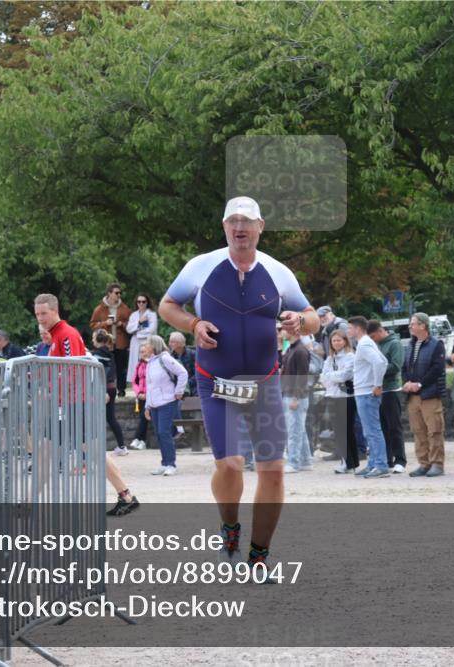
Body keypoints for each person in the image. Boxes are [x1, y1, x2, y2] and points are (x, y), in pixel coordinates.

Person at [158, 195, 318, 572]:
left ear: (260, 227)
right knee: (230, 465)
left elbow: (312, 317)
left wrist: (300, 321)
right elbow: (168, 305)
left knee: (273, 469)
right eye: (233, 221)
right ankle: (229, 527)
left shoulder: (278, 272)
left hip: (264, 382)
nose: (240, 227)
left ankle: (259, 554)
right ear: (224, 227)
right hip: (216, 382)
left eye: (247, 220)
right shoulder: (201, 266)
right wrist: (193, 324)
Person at [34, 293, 140, 517]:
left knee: (90, 451)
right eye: (37, 314)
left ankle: (126, 495)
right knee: (49, 450)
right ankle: (30, 501)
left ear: (55, 310)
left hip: (74, 403)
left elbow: (74, 369)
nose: (40, 318)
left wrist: (55, 392)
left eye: (44, 313)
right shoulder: (57, 336)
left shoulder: (65, 334)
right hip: (69, 402)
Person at [402, 313, 447, 478]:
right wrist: (407, 382)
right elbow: (405, 367)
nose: (410, 327)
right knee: (418, 430)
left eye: (413, 324)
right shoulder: (410, 345)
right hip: (413, 396)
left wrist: (419, 384)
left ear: (423, 326)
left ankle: (437, 464)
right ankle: (424, 463)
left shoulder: (436, 345)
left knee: (434, 430)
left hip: (429, 395)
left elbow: (437, 369)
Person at [347, 316, 390, 478]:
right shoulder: (366, 343)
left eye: (350, 328)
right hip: (364, 392)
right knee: (369, 431)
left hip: (366, 392)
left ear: (358, 328)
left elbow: (380, 363)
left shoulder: (364, 344)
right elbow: (383, 361)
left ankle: (380, 465)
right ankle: (374, 463)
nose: (348, 331)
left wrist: (377, 384)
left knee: (372, 430)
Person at [144, 335, 188, 477]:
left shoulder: (165, 358)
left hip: (167, 402)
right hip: (155, 404)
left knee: (164, 432)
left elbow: (183, 372)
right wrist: (147, 406)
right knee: (159, 434)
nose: (145, 346)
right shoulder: (150, 362)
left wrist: (179, 391)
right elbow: (150, 386)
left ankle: (171, 464)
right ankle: (164, 464)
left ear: (154, 345)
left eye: (147, 344)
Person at [369, 320, 407, 473]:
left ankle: (400, 460)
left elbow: (396, 365)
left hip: (391, 389)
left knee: (394, 426)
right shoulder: (375, 344)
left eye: (373, 336)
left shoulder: (394, 344)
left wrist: (376, 369)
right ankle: (387, 458)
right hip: (377, 390)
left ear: (380, 331)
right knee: (382, 427)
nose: (372, 340)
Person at [319, 329, 358, 474]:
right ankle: (347, 461)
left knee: (347, 430)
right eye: (333, 341)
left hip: (346, 398)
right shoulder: (329, 359)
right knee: (339, 431)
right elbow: (322, 377)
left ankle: (349, 461)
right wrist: (331, 377)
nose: (336, 343)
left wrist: (330, 376)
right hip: (332, 396)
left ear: (345, 341)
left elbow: (345, 375)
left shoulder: (350, 357)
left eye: (339, 340)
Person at [90, 283, 132, 396]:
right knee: (105, 367)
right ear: (109, 293)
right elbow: (92, 324)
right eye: (116, 293)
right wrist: (105, 323)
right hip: (105, 343)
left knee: (121, 367)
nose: (119, 295)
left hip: (120, 343)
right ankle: (105, 389)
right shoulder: (100, 309)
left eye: (120, 293)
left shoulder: (124, 308)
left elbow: (131, 324)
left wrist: (121, 324)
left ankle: (121, 390)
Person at [280, 327, 312, 473]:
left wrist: (296, 397)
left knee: (294, 431)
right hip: (289, 394)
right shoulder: (291, 348)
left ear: (293, 332)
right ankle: (306, 461)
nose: (281, 333)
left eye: (284, 330)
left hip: (295, 396)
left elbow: (302, 377)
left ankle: (294, 462)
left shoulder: (300, 350)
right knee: (299, 429)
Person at [92, 329, 128, 457]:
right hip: (111, 388)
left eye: (93, 338)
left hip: (104, 389)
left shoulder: (98, 355)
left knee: (98, 418)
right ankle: (122, 446)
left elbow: (105, 373)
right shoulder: (108, 353)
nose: (92, 340)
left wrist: (104, 391)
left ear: (97, 340)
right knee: (110, 418)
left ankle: (96, 448)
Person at [126, 293, 159, 391]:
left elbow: (152, 329)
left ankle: (147, 385)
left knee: (147, 362)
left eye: (143, 301)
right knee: (136, 363)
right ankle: (137, 386)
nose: (141, 303)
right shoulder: (133, 315)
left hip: (147, 342)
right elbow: (129, 329)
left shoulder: (152, 314)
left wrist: (138, 333)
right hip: (135, 343)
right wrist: (139, 322)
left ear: (147, 302)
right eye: (139, 301)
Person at [127, 350, 149, 451]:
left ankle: (137, 438)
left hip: (150, 396)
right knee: (143, 418)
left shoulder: (152, 364)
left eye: (144, 351)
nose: (142, 353)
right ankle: (142, 441)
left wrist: (147, 394)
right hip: (140, 396)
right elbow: (134, 381)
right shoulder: (139, 364)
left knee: (143, 417)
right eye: (140, 352)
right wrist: (138, 393)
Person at [168, 332, 197, 397]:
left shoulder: (193, 354)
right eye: (170, 342)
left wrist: (186, 384)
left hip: (194, 388)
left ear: (180, 343)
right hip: (179, 391)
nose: (169, 344)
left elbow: (197, 373)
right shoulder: (170, 358)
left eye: (172, 342)